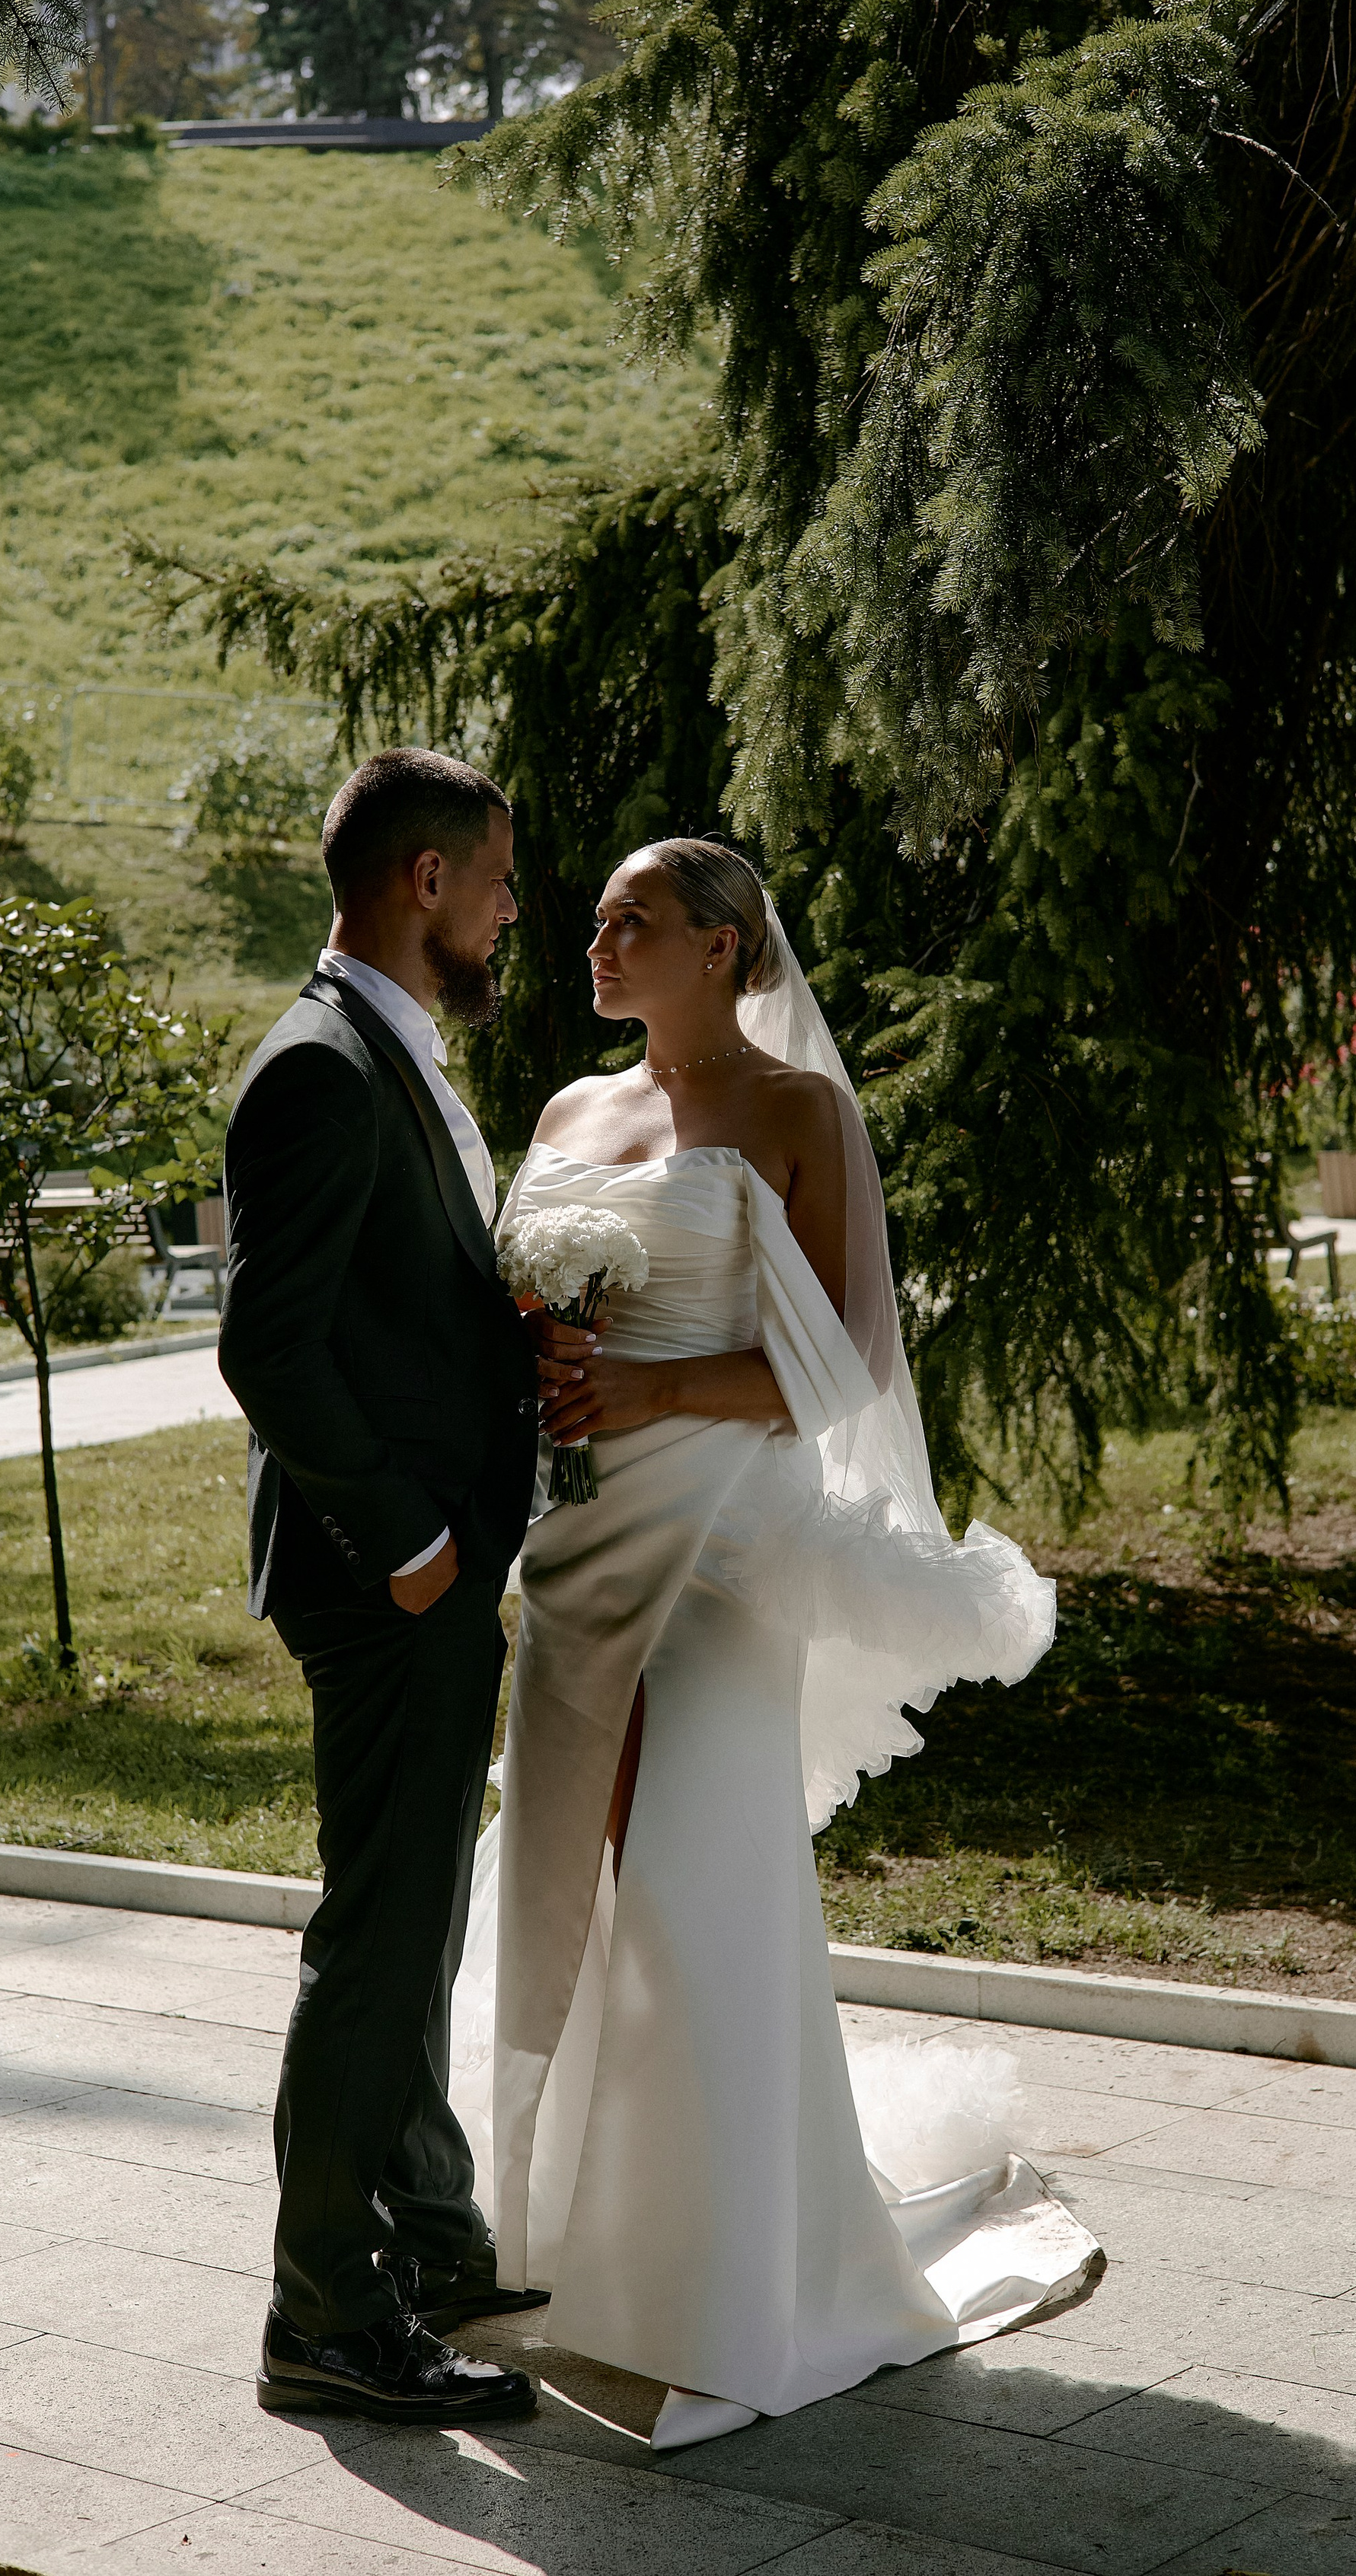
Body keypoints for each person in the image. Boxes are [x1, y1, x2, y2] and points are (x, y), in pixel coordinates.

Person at [451, 837, 1100, 2452]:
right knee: (556, 1869)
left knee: (689, 1868)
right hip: (579, 1538)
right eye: (594, 915)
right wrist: (539, 1363)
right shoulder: (564, 1117)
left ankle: (726, 2271)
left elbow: (848, 1360)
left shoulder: (804, 1116)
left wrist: (652, 1387)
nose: (595, 938)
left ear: (728, 950)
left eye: (635, 919)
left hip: (728, 1541)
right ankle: (535, 2223)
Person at [218, 746, 547, 2430]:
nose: (509, 908)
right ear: (424, 880)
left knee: (413, 1918)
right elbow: (263, 1348)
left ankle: (425, 2232)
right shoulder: (324, 1068)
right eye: (494, 878)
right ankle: (325, 2318)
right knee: (374, 1935)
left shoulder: (389, 1050)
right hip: (382, 1579)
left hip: (428, 1566)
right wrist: (413, 1544)